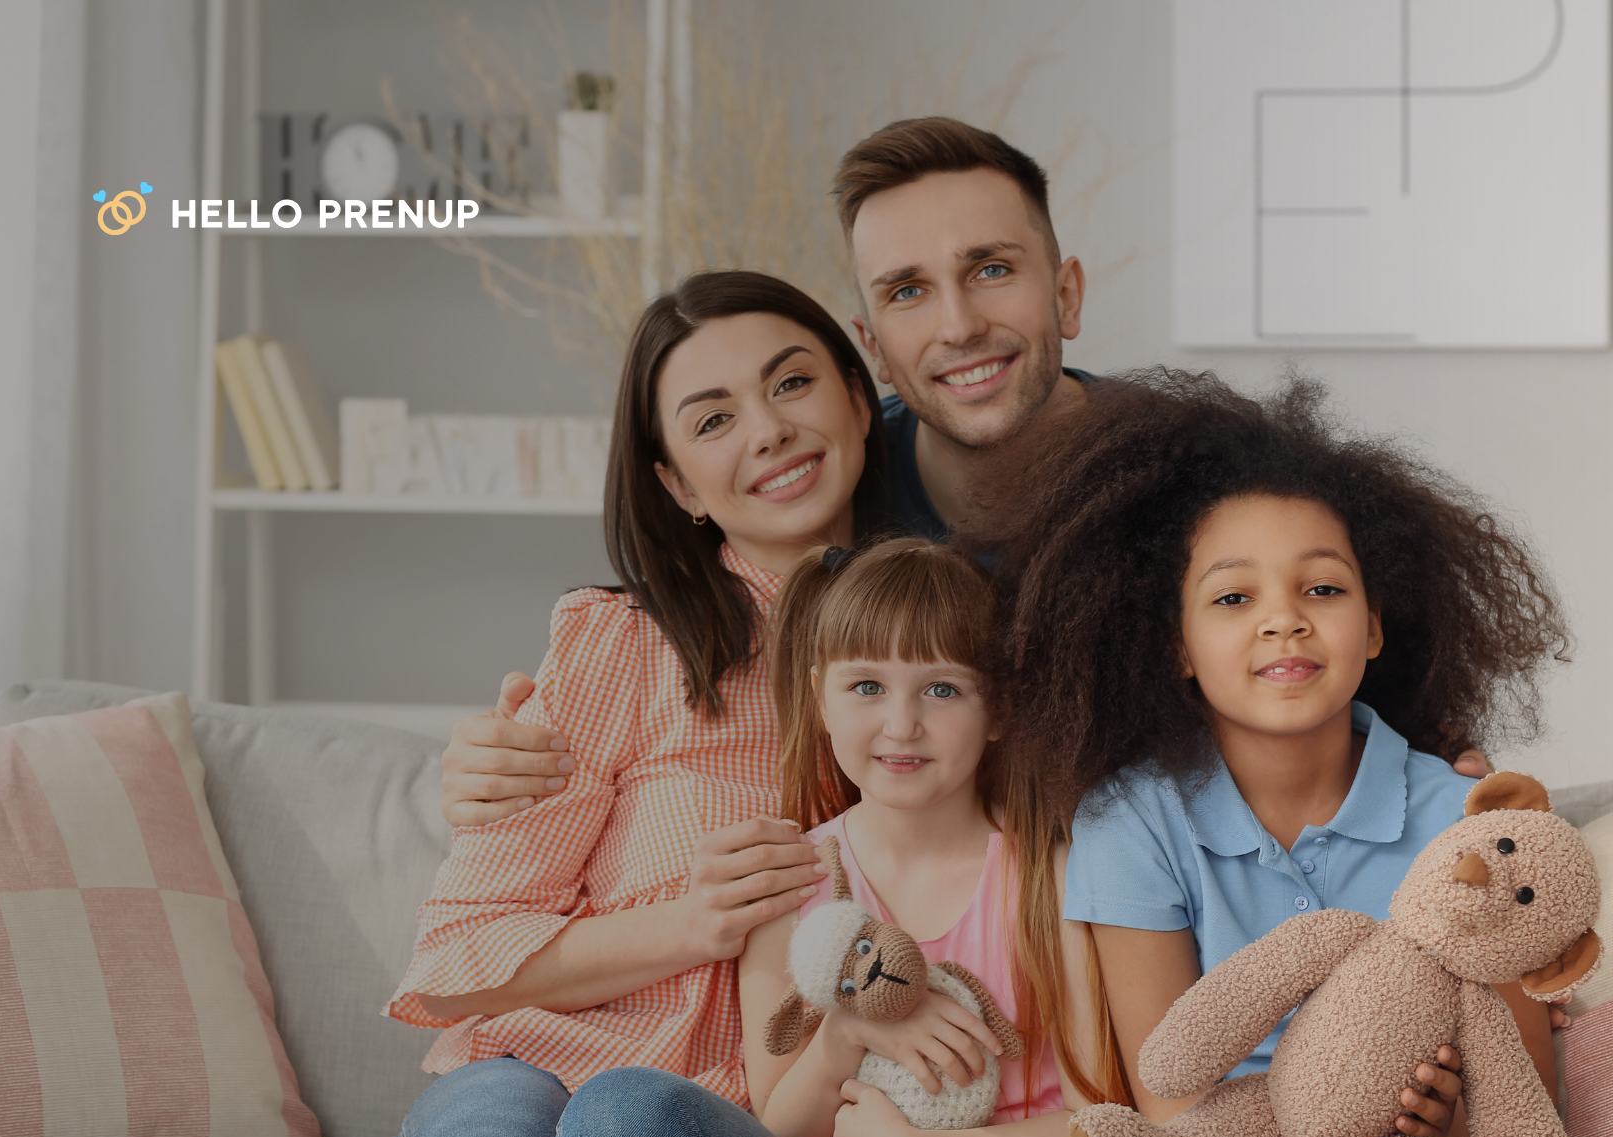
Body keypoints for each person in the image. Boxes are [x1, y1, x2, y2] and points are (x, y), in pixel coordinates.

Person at [440, 116, 1492, 827]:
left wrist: (1424, 762)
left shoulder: (1206, 481)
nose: (958, 325)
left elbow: (1334, 654)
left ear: (1067, 294)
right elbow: (689, 668)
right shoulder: (825, 490)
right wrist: (510, 756)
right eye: (907, 291)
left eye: (992, 269)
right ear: (869, 345)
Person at [368, 271, 904, 1137]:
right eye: (713, 420)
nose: (769, 430)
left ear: (859, 397)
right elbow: (457, 957)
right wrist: (689, 925)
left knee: (627, 1125)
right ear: (676, 485)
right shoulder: (618, 643)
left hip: (740, 1118)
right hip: (529, 1064)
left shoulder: (937, 652)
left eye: (791, 385)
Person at [973, 369, 1572, 1137]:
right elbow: (1171, 1097)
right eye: (1231, 596)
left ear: (1372, 628)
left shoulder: (1462, 821)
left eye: (1322, 588)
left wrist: (1448, 1120)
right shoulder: (1130, 825)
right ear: (1177, 646)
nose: (1282, 617)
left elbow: (1524, 1099)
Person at [739, 539, 1097, 1137]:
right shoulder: (792, 884)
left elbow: (1101, 1122)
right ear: (820, 698)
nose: (902, 724)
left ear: (997, 710)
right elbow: (779, 1130)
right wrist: (846, 1033)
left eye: (942, 689)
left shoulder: (1052, 876)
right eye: (867, 687)